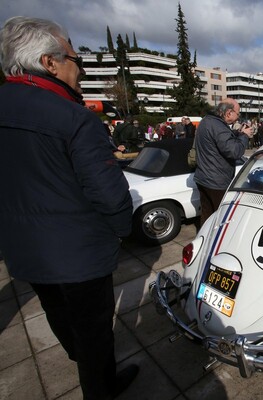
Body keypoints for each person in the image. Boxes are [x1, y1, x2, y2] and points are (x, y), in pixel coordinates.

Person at [0, 16, 138, 398]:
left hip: (25, 251)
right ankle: (102, 388)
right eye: (77, 60)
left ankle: (87, 365)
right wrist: (121, 229)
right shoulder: (72, 117)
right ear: (50, 63)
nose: (80, 70)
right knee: (94, 332)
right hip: (78, 255)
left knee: (60, 317)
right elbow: (110, 194)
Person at [194, 98, 253, 224]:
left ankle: (204, 238)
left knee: (207, 214)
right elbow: (234, 152)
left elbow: (220, 140)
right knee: (221, 217)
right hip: (216, 182)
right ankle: (218, 241)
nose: (238, 117)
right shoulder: (218, 126)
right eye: (238, 113)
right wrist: (244, 136)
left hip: (203, 177)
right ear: (228, 113)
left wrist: (238, 133)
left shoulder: (207, 121)